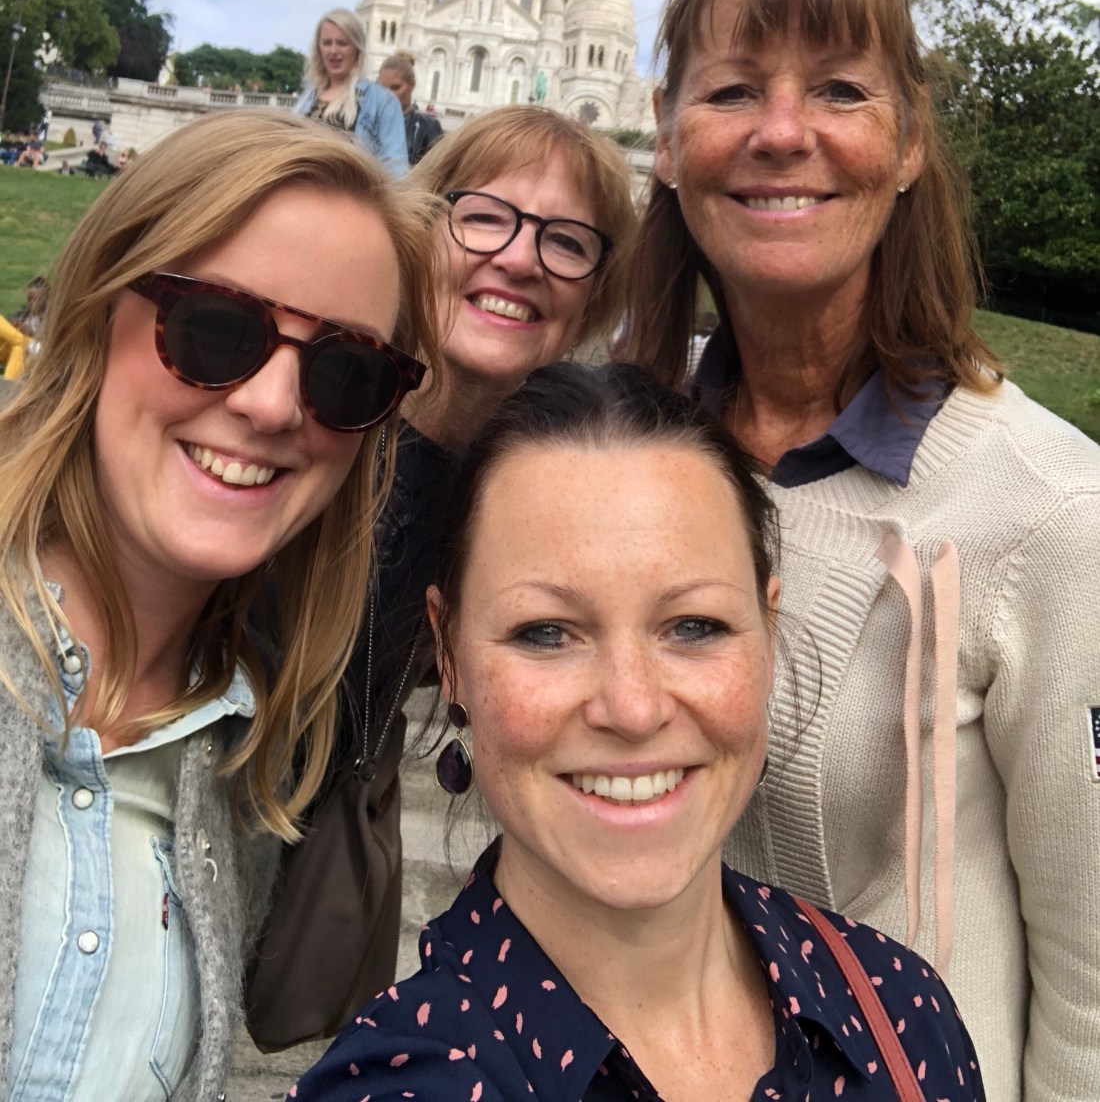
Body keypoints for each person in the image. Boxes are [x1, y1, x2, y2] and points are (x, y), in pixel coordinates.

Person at [619, 0, 1100, 1100]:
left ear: (907, 142)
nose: (781, 132)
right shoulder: (620, 451)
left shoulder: (1048, 510)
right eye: (732, 90)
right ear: (666, 139)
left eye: (838, 89)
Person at [292, 362, 985, 1101]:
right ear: (450, 656)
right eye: (546, 632)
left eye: (695, 626)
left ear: (767, 631)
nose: (632, 708)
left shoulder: (899, 1010)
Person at [0, 107, 437, 1100]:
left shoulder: (246, 764)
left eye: (345, 373)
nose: (273, 405)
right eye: (215, 329)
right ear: (96, 309)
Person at [249, 105, 636, 1043]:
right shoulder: (314, 391)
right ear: (426, 230)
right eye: (486, 217)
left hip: (313, 844)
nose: (521, 258)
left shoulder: (534, 490)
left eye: (566, 241)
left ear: (593, 294)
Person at [295, 8, 409, 176]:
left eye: (342, 43)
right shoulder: (307, 97)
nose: (333, 51)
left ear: (357, 47)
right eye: (327, 43)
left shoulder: (383, 101)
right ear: (318, 48)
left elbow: (396, 169)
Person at [378, 50, 444, 165]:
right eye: (382, 89)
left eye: (395, 88)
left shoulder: (428, 127)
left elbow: (438, 170)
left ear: (412, 84)